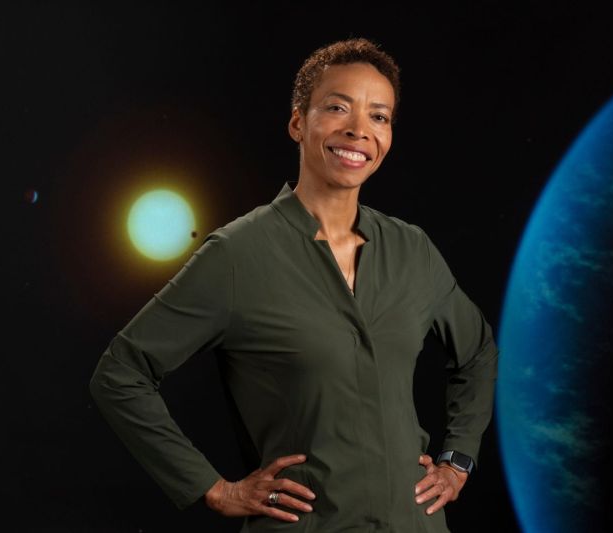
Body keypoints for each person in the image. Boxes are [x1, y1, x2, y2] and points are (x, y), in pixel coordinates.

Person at [89, 37, 499, 532]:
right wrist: (213, 488)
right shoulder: (238, 255)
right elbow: (121, 374)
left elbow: (475, 352)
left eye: (379, 116)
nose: (358, 130)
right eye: (337, 108)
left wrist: (457, 459)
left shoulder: (411, 250)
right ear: (298, 122)